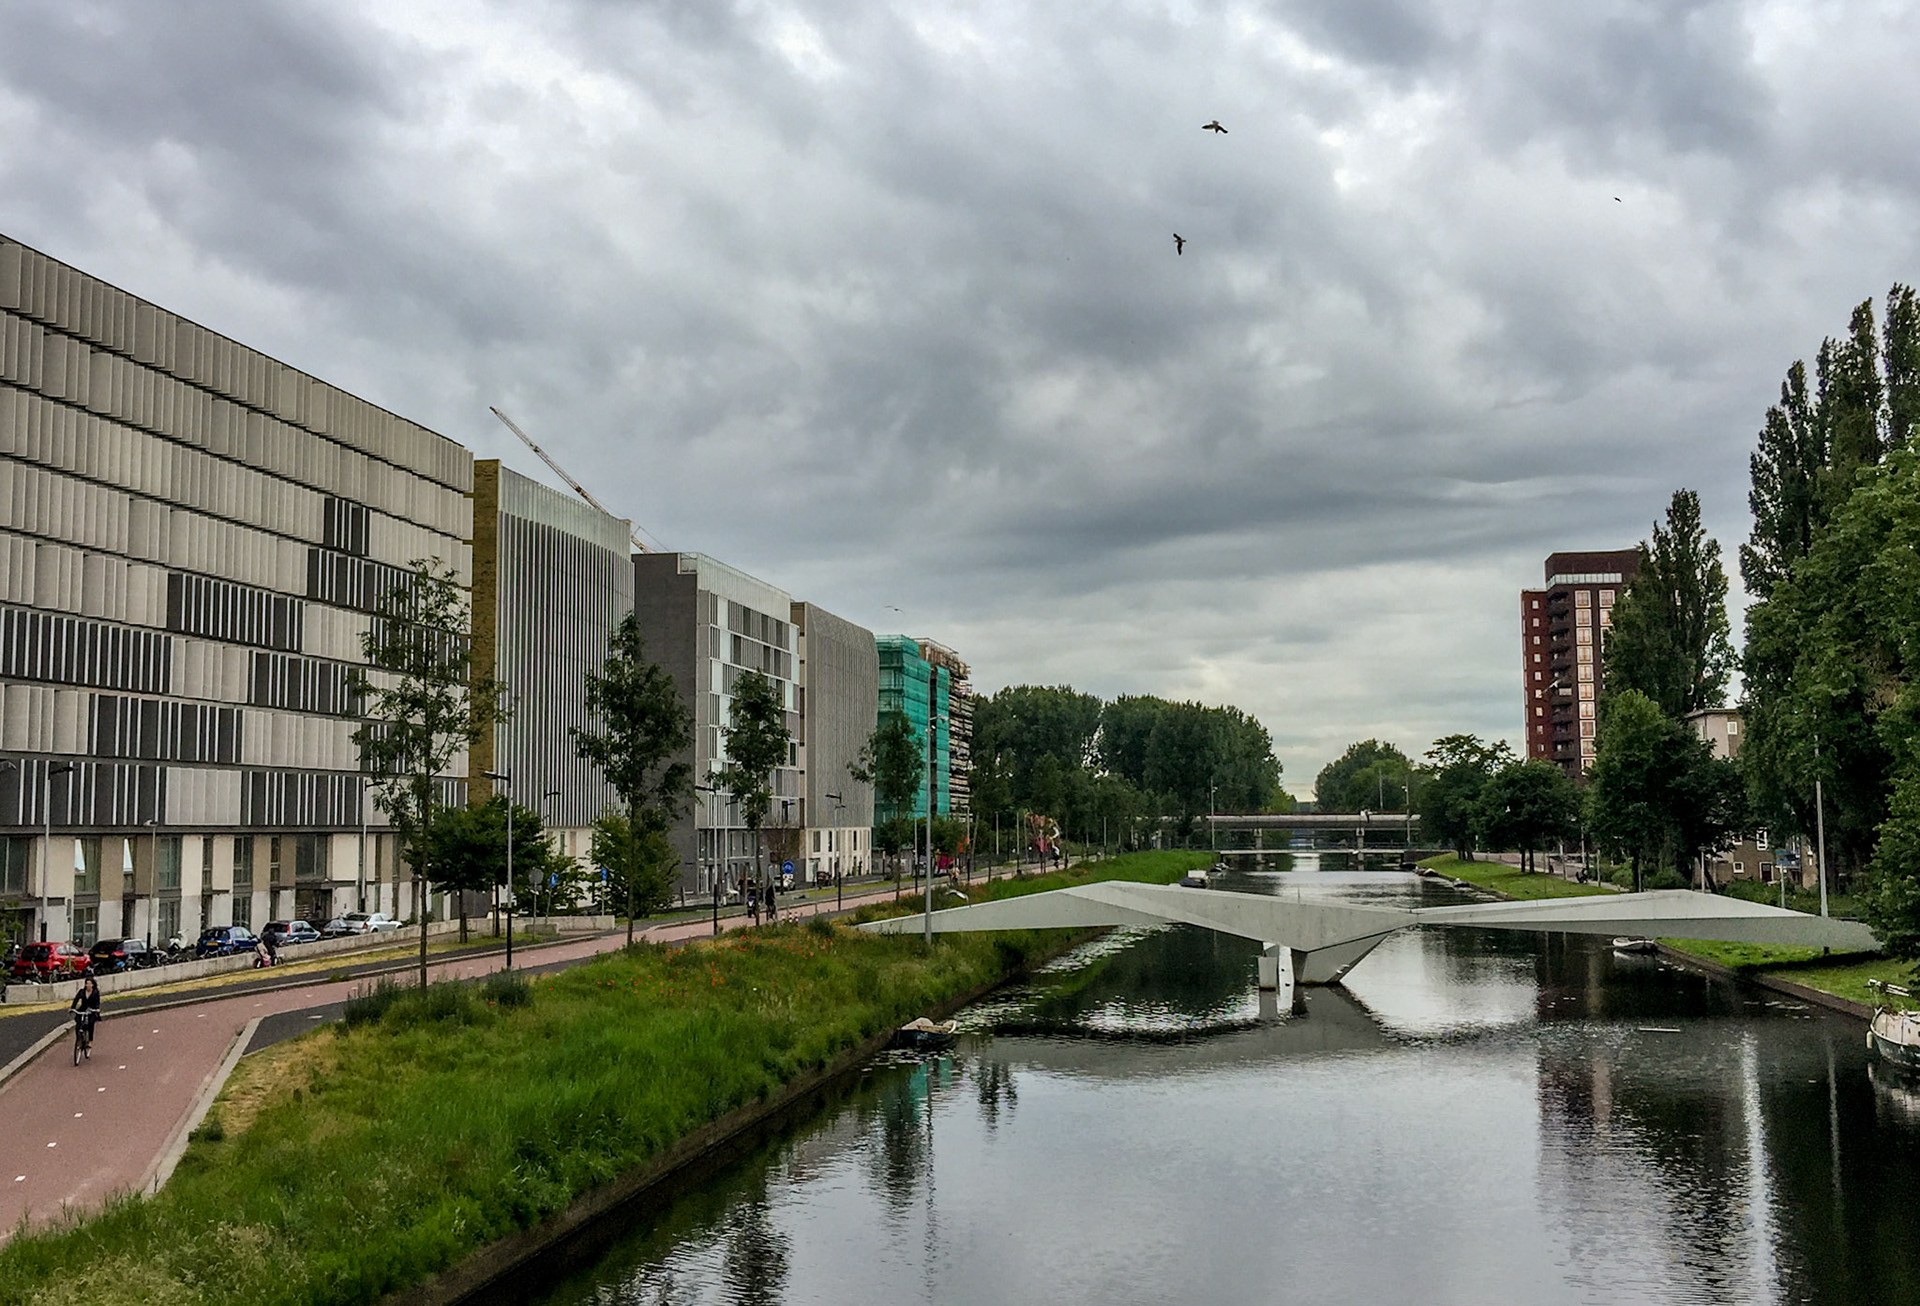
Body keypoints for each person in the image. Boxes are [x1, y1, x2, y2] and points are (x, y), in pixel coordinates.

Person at [70, 976, 101, 1047]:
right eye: (87, 984)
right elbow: (76, 999)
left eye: (90, 984)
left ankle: (90, 1041)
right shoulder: (82, 992)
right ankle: (79, 1039)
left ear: (92, 985)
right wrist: (72, 1008)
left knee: (91, 1023)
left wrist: (97, 1009)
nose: (88, 985)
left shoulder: (95, 992)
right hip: (83, 1009)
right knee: (78, 1024)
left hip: (92, 1010)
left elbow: (97, 1002)